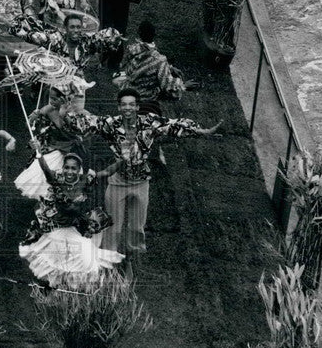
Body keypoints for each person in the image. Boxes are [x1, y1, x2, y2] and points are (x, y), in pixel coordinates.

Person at [66, 87, 221, 262]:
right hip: (118, 183)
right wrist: (64, 113)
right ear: (118, 107)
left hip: (141, 183)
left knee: (137, 228)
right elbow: (88, 122)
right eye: (123, 105)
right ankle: (107, 260)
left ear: (138, 107)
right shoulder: (110, 124)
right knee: (113, 228)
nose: (127, 108)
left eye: (131, 105)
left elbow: (172, 125)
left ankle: (133, 260)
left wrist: (199, 130)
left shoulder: (149, 122)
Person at [18, 149, 123, 284]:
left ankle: (73, 287)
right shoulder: (58, 180)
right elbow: (47, 172)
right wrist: (39, 154)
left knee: (86, 257)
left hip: (73, 228)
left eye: (73, 168)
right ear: (63, 168)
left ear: (79, 170)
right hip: (55, 229)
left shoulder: (85, 180)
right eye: (66, 167)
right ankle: (51, 286)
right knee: (54, 260)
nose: (69, 172)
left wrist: (123, 160)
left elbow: (107, 172)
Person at [14, 81, 88, 198]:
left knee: (65, 181)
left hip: (68, 149)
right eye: (50, 98)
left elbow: (68, 131)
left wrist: (62, 114)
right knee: (42, 176)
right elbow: (31, 122)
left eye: (54, 99)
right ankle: (46, 205)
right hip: (54, 146)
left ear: (64, 99)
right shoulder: (51, 108)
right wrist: (35, 116)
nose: (51, 102)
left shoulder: (74, 113)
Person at [113, 19, 192, 110]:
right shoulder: (159, 60)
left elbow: (125, 66)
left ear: (139, 33)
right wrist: (184, 85)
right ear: (154, 35)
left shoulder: (131, 49)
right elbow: (168, 86)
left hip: (127, 91)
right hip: (144, 99)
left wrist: (170, 67)